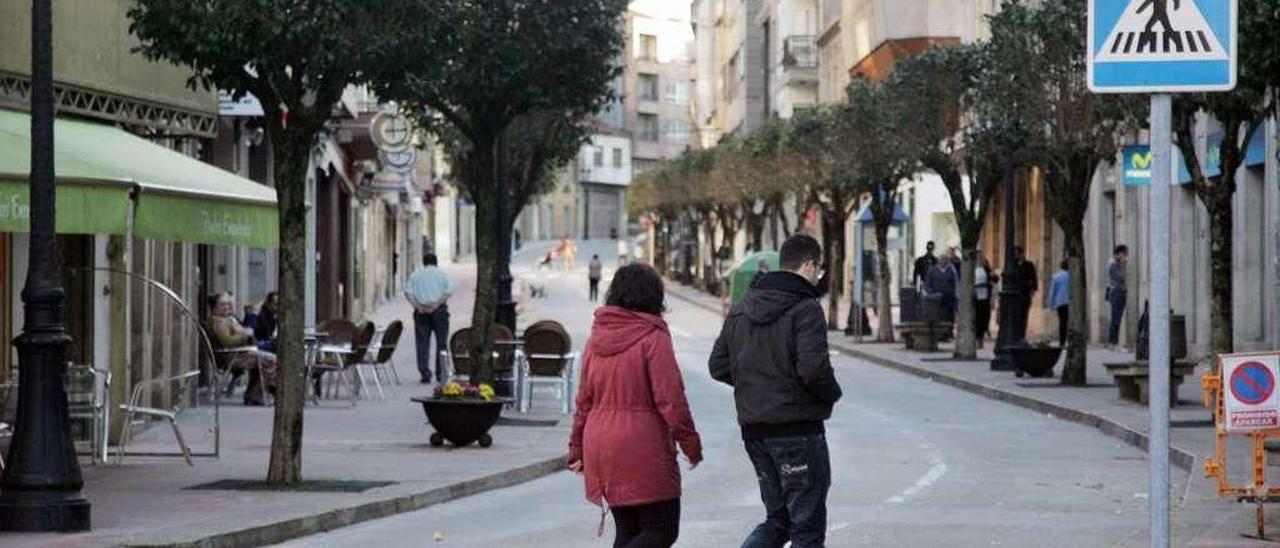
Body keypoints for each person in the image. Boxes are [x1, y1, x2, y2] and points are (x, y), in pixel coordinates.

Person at [709, 234, 842, 548]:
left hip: (755, 432)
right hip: (797, 430)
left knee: (778, 519)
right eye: (817, 269)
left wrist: (755, 384)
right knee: (806, 526)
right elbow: (813, 370)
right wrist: (831, 394)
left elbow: (718, 365)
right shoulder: (806, 308)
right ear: (808, 265)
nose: (817, 275)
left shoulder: (742, 309)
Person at [569, 263, 702, 548]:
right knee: (662, 529)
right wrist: (691, 444)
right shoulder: (653, 337)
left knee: (628, 531)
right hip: (642, 445)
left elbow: (584, 401)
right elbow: (672, 399)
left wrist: (576, 448)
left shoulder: (595, 340)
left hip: (601, 445)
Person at [205, 292, 278, 405]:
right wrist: (245, 335)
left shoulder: (228, 319)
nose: (227, 307)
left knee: (264, 357)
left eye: (229, 304)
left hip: (240, 353)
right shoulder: (218, 322)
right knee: (272, 360)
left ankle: (254, 393)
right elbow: (227, 342)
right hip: (231, 356)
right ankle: (258, 392)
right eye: (222, 305)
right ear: (214, 307)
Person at [405, 254, 453, 384]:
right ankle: (440, 372)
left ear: (424, 262)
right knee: (442, 343)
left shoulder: (415, 275)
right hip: (439, 311)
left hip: (421, 311)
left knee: (422, 342)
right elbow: (448, 292)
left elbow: (408, 292)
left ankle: (424, 372)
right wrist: (436, 305)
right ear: (436, 262)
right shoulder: (443, 274)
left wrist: (417, 306)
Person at [926, 248, 960, 323]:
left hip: (949, 298)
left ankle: (949, 331)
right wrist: (929, 293)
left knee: (949, 316)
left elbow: (956, 283)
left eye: (945, 259)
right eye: (941, 259)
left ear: (948, 260)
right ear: (938, 260)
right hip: (936, 297)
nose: (943, 261)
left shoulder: (952, 270)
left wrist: (956, 295)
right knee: (938, 315)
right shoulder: (932, 270)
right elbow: (928, 283)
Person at [1107, 245, 1128, 347]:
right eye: (1124, 254)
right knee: (1115, 318)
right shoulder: (1113, 265)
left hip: (1121, 292)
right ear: (1119, 253)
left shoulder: (1117, 264)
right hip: (1116, 293)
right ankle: (1112, 342)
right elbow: (1121, 277)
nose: (1125, 257)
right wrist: (1123, 265)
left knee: (1118, 319)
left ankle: (1114, 342)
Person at [1014, 246, 1039, 332]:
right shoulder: (1013, 265)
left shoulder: (1029, 265)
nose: (1015, 256)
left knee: (1024, 314)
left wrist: (1033, 289)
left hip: (1025, 292)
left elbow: (1033, 277)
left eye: (1017, 254)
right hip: (1015, 293)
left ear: (1021, 254)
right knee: (1016, 315)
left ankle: (1022, 333)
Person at [1049, 258, 1071, 347]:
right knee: (1069, 322)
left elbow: (1052, 291)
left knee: (1062, 322)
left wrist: (1051, 304)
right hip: (1070, 302)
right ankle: (1070, 340)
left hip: (1060, 302)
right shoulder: (1071, 276)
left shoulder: (1056, 276)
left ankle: (1062, 341)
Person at [974, 254, 996, 342]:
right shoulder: (972, 269)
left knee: (984, 315)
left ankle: (982, 333)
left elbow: (995, 280)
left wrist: (993, 276)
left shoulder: (987, 270)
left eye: (982, 259)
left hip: (985, 296)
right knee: (977, 315)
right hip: (975, 296)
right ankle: (978, 334)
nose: (980, 261)